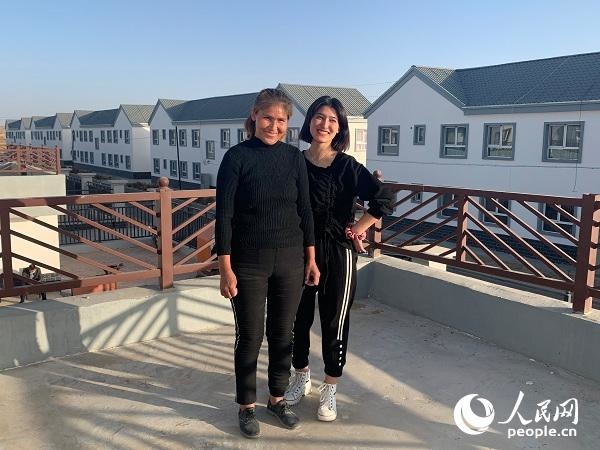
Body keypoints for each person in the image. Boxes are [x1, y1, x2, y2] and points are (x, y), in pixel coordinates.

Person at [216, 88, 320, 439]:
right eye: (267, 118)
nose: (273, 126)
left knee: (282, 334)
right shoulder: (236, 157)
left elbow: (304, 210)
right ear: (254, 116)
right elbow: (224, 215)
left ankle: (277, 399)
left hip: (290, 259)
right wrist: (225, 266)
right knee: (250, 335)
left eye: (281, 120)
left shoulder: (293, 159)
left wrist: (311, 258)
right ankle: (246, 406)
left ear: (287, 123)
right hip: (247, 262)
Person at [284, 96, 393, 421]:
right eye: (319, 117)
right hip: (297, 250)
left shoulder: (347, 166)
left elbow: (384, 197)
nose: (324, 124)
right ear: (309, 122)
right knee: (296, 320)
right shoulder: (293, 161)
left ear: (340, 128)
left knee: (334, 322)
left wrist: (358, 227)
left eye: (332, 120)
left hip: (338, 253)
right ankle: (300, 375)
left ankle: (330, 387)